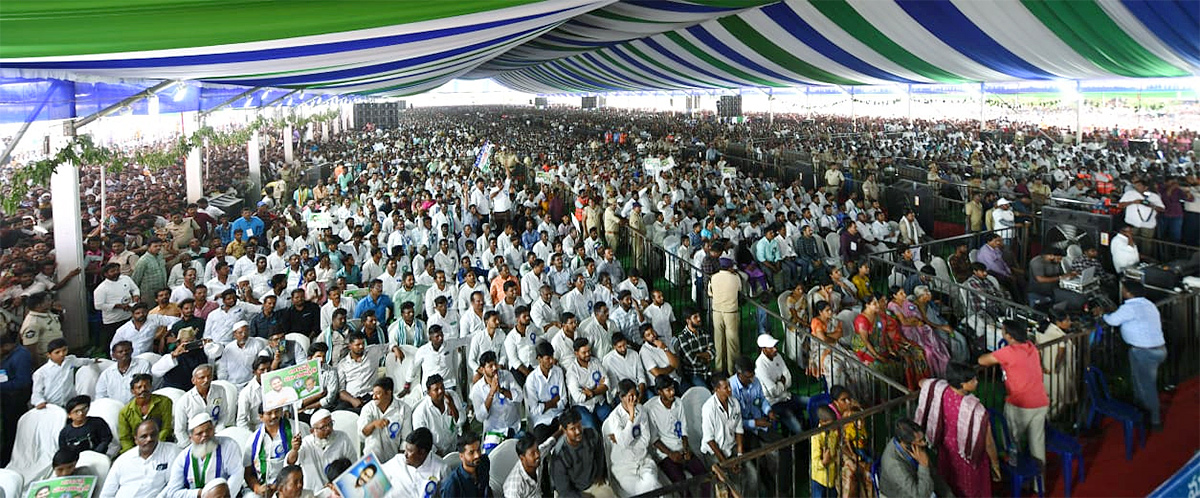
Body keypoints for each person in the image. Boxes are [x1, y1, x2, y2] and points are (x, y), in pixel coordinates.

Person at [914, 363, 999, 497]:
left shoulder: (941, 391)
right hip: (967, 452)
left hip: (947, 446)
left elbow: (922, 382)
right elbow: (988, 443)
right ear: (962, 384)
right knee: (970, 486)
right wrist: (995, 464)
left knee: (949, 481)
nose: (976, 382)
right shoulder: (977, 410)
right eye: (972, 380)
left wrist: (937, 383)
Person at [1095, 281, 1166, 430]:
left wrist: (1102, 314)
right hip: (1157, 349)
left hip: (1144, 352)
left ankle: (1154, 421)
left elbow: (1112, 321)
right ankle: (1141, 412)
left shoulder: (1130, 308)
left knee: (1147, 387)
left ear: (1128, 293)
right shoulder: (1148, 304)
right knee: (1140, 383)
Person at [979, 319, 1050, 467]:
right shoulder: (1031, 347)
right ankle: (1039, 484)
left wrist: (999, 357)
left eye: (1003, 330)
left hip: (1020, 405)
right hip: (1041, 402)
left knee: (1012, 442)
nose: (1002, 332)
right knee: (1037, 445)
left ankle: (1015, 473)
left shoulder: (1009, 352)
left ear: (1010, 336)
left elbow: (982, 360)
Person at [853, 294, 928, 390]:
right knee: (882, 366)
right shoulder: (861, 320)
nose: (877, 305)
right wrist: (878, 356)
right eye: (874, 303)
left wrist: (889, 349)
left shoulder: (878, 316)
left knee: (906, 356)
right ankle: (885, 397)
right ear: (867, 305)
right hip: (865, 349)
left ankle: (913, 387)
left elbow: (884, 334)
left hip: (880, 346)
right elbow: (866, 342)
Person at [701, 374, 758, 498]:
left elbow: (738, 429)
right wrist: (726, 462)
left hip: (730, 447)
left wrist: (739, 455)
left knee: (753, 475)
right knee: (731, 483)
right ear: (716, 390)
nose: (730, 389)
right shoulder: (708, 408)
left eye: (729, 386)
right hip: (713, 452)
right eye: (726, 387)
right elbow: (709, 439)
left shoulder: (734, 402)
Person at [163, 413, 245, 498]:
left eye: (208, 430)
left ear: (214, 429)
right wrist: (202, 493)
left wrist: (222, 495)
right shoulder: (183, 459)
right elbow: (173, 492)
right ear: (190, 438)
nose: (205, 435)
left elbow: (237, 475)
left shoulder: (229, 446)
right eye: (199, 433)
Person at [602, 379, 660, 495]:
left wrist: (627, 439)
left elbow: (645, 440)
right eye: (630, 396)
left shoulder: (642, 410)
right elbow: (623, 443)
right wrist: (631, 418)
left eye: (636, 395)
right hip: (624, 466)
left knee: (653, 484)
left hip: (643, 460)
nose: (634, 399)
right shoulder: (615, 417)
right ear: (622, 397)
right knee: (641, 490)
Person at [99, 419, 182, 498]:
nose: (149, 439)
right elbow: (108, 492)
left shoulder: (172, 452)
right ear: (136, 440)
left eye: (153, 435)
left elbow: (172, 485)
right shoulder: (123, 459)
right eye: (144, 436)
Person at [877, 418, 954, 498]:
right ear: (905, 444)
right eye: (919, 441)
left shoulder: (912, 446)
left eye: (923, 439)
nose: (924, 443)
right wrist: (924, 465)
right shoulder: (895, 466)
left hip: (918, 487)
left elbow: (934, 476)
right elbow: (921, 496)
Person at [244, 406, 310, 496]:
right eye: (269, 413)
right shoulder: (253, 440)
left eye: (277, 411)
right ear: (261, 416)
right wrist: (257, 488)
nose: (274, 416)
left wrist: (278, 485)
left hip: (292, 484)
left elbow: (306, 461)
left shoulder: (298, 429)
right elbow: (248, 473)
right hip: (265, 487)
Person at [888, 286, 949, 376]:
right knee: (928, 351)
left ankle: (944, 369)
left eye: (904, 292)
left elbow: (916, 315)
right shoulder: (892, 306)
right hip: (907, 332)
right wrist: (915, 322)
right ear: (894, 295)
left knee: (935, 343)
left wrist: (914, 320)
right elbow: (904, 322)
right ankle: (933, 373)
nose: (904, 295)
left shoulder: (906, 302)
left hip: (917, 327)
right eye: (901, 293)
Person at [293, 409, 358, 493]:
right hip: (315, 493)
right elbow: (291, 462)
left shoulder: (342, 437)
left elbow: (353, 463)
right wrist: (294, 450)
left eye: (330, 424)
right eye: (323, 427)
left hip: (339, 489)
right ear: (312, 431)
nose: (329, 429)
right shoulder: (306, 443)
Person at [550, 409, 611, 498]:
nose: (578, 431)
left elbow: (600, 454)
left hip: (593, 484)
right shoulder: (559, 454)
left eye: (579, 426)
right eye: (573, 429)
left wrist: (599, 474)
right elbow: (564, 490)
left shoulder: (591, 435)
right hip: (571, 493)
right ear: (564, 430)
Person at [753, 334, 802, 435]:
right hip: (773, 403)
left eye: (775, 346)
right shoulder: (760, 366)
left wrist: (779, 384)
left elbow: (789, 378)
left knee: (811, 402)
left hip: (786, 396)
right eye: (771, 348)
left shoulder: (778, 356)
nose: (775, 349)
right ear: (764, 349)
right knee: (798, 428)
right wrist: (782, 382)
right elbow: (773, 392)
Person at [172, 364, 233, 444]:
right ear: (193, 380)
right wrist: (190, 446)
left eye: (209, 376)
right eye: (202, 377)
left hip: (215, 435)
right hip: (193, 440)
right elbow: (179, 430)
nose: (206, 380)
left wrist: (218, 433)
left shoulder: (220, 391)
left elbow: (223, 415)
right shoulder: (184, 401)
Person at [470, 350, 525, 438]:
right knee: (490, 452)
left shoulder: (507, 375)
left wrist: (502, 390)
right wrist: (491, 393)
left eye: (495, 364)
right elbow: (480, 417)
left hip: (513, 427)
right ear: (482, 369)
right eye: (490, 366)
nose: (495, 368)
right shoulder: (477, 389)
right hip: (493, 432)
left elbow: (520, 396)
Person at [381, 427, 446, 498]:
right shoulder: (398, 461)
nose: (405, 454)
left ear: (422, 452)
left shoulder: (441, 469)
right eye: (405, 449)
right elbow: (377, 476)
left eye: (409, 451)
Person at [411, 374, 467, 456]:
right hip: (433, 454)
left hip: (454, 449)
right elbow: (421, 439)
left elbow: (461, 421)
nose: (441, 391)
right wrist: (436, 453)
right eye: (436, 389)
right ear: (428, 393)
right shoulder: (420, 412)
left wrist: (452, 406)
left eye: (442, 387)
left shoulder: (452, 396)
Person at [31, 338, 95, 409]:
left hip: (70, 402)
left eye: (64, 350)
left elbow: (82, 361)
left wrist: (93, 361)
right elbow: (37, 392)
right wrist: (39, 402)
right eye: (57, 352)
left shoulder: (70, 361)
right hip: (53, 405)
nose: (62, 354)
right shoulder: (41, 373)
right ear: (49, 355)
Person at [565, 337, 611, 431]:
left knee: (611, 421)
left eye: (589, 351)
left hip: (598, 401)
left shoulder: (595, 362)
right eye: (584, 352)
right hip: (581, 406)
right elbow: (578, 397)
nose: (588, 354)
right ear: (576, 353)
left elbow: (607, 384)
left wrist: (592, 392)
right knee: (591, 428)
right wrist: (598, 387)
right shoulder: (572, 372)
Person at [358, 377, 409, 463]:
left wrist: (400, 462)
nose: (374, 397)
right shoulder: (368, 408)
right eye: (373, 394)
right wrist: (373, 424)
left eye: (378, 393)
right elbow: (362, 435)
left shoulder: (404, 409)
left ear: (388, 393)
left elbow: (406, 439)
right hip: (371, 460)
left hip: (393, 460)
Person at [118, 373, 174, 451]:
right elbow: (125, 438)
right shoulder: (124, 412)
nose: (143, 389)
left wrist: (153, 445)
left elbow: (166, 428)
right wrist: (132, 453)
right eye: (139, 387)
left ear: (151, 387)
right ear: (132, 391)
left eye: (146, 386)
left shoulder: (164, 402)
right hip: (136, 448)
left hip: (162, 444)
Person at [1, 331, 33, 464]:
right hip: (6, 397)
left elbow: (23, 381)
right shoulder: (8, 355)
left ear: (6, 346)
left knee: (14, 429)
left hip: (17, 398)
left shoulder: (21, 356)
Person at [524, 341, 566, 440]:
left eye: (552, 357)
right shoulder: (531, 379)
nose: (551, 361)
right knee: (540, 443)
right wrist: (554, 401)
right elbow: (534, 410)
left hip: (558, 414)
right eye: (548, 358)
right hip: (541, 420)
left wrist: (544, 405)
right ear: (539, 359)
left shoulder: (558, 372)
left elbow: (563, 401)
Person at [708, 259, 740, 375]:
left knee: (718, 341)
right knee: (732, 342)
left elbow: (710, 293)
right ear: (730, 267)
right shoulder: (735, 278)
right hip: (731, 312)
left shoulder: (713, 277)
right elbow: (739, 290)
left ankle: (719, 369)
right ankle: (732, 371)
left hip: (716, 311)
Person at [440, 432, 492, 497]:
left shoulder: (484, 462)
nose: (477, 455)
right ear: (461, 456)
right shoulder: (452, 484)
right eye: (471, 452)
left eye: (478, 450)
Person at [675, 308, 714, 390]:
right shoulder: (682, 337)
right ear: (688, 320)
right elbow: (693, 361)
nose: (699, 319)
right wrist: (706, 357)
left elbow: (713, 353)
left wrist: (699, 355)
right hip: (693, 374)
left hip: (708, 372)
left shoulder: (704, 332)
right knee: (705, 391)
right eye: (695, 317)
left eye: (699, 316)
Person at [810, 406, 838, 498]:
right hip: (819, 479)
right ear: (822, 422)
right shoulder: (816, 437)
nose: (833, 426)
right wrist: (824, 462)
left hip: (831, 476)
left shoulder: (833, 433)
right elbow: (815, 462)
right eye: (831, 424)